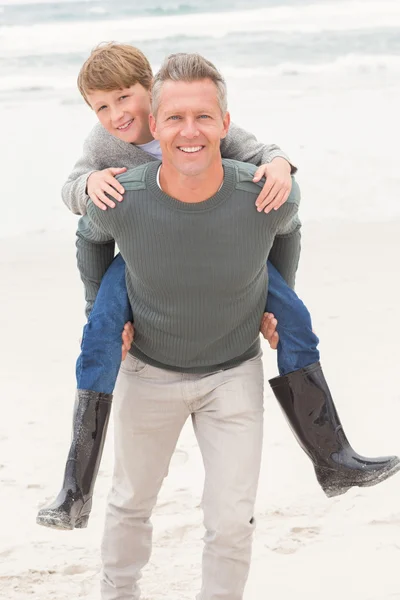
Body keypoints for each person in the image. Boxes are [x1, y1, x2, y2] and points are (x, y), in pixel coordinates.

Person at [36, 45, 400, 535]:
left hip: (225, 251)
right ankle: (74, 494)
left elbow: (265, 153)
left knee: (296, 320)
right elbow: (73, 190)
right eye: (101, 107)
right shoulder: (103, 144)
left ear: (152, 88)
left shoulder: (192, 121)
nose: (116, 115)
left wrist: (279, 166)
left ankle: (333, 457)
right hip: (143, 257)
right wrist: (87, 186)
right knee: (98, 337)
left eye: (125, 98)